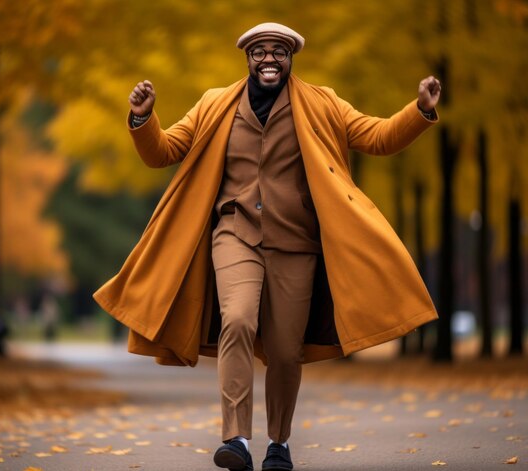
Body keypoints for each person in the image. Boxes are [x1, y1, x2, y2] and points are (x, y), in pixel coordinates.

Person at [94, 22, 440, 471]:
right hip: (234, 232)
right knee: (235, 320)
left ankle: (279, 443)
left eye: (278, 51)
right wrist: (143, 119)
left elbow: (376, 137)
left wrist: (420, 109)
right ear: (248, 58)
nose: (269, 59)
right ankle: (235, 438)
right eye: (260, 52)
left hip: (296, 242)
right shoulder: (215, 104)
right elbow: (163, 152)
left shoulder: (322, 102)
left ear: (291, 57)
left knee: (284, 350)